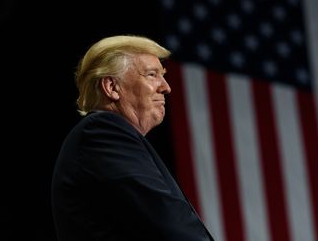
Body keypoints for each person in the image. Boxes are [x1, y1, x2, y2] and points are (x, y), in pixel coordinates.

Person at [51, 35, 215, 241]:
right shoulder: (102, 132)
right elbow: (166, 220)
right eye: (152, 74)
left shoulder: (108, 137)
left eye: (162, 75)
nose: (166, 87)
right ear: (111, 87)